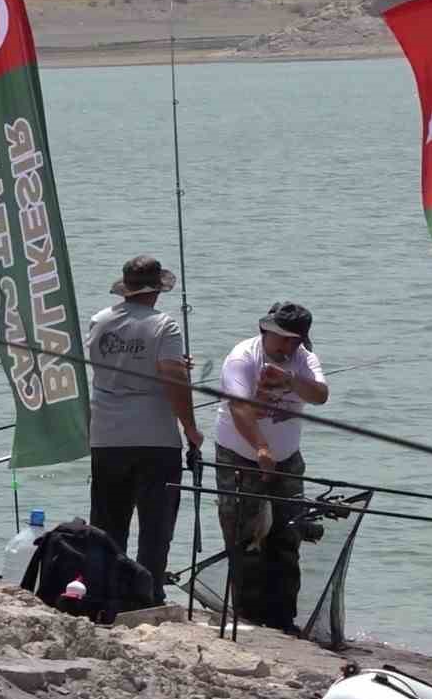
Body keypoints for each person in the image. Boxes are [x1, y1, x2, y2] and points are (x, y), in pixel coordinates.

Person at [85, 256, 203, 605]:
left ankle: (105, 589)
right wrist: (191, 429)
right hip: (154, 438)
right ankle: (147, 594)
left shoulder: (99, 321)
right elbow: (173, 379)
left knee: (108, 520)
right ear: (157, 290)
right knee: (155, 524)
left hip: (106, 434)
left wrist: (167, 363)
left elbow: (115, 366)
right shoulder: (164, 326)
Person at [213, 302, 328, 632]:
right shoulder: (243, 357)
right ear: (267, 331)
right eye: (282, 338)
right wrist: (261, 447)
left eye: (295, 340)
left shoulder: (304, 360)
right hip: (240, 456)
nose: (288, 346)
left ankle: (283, 618)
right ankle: (247, 615)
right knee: (245, 537)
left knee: (287, 536)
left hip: (288, 460)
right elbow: (238, 406)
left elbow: (320, 395)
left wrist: (291, 381)